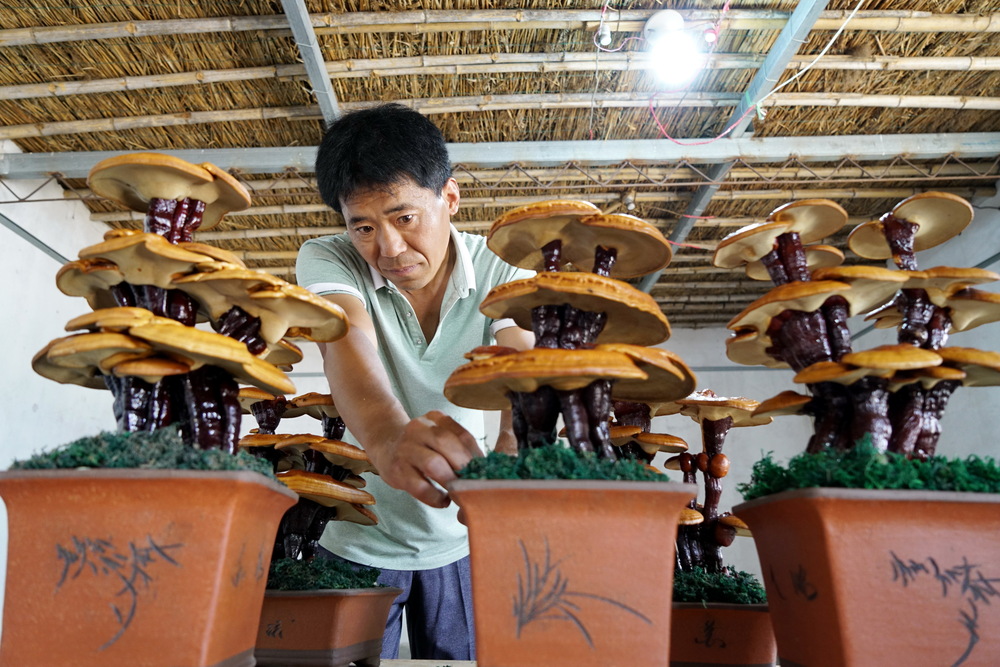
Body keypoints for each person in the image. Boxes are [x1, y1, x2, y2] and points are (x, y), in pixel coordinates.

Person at [295, 103, 534, 660]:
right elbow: (345, 339)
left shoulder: (503, 262)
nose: (389, 250)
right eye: (364, 227)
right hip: (356, 533)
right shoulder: (327, 259)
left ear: (449, 198)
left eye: (405, 218)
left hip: (460, 539)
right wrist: (385, 437)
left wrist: (514, 453)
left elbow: (519, 355)